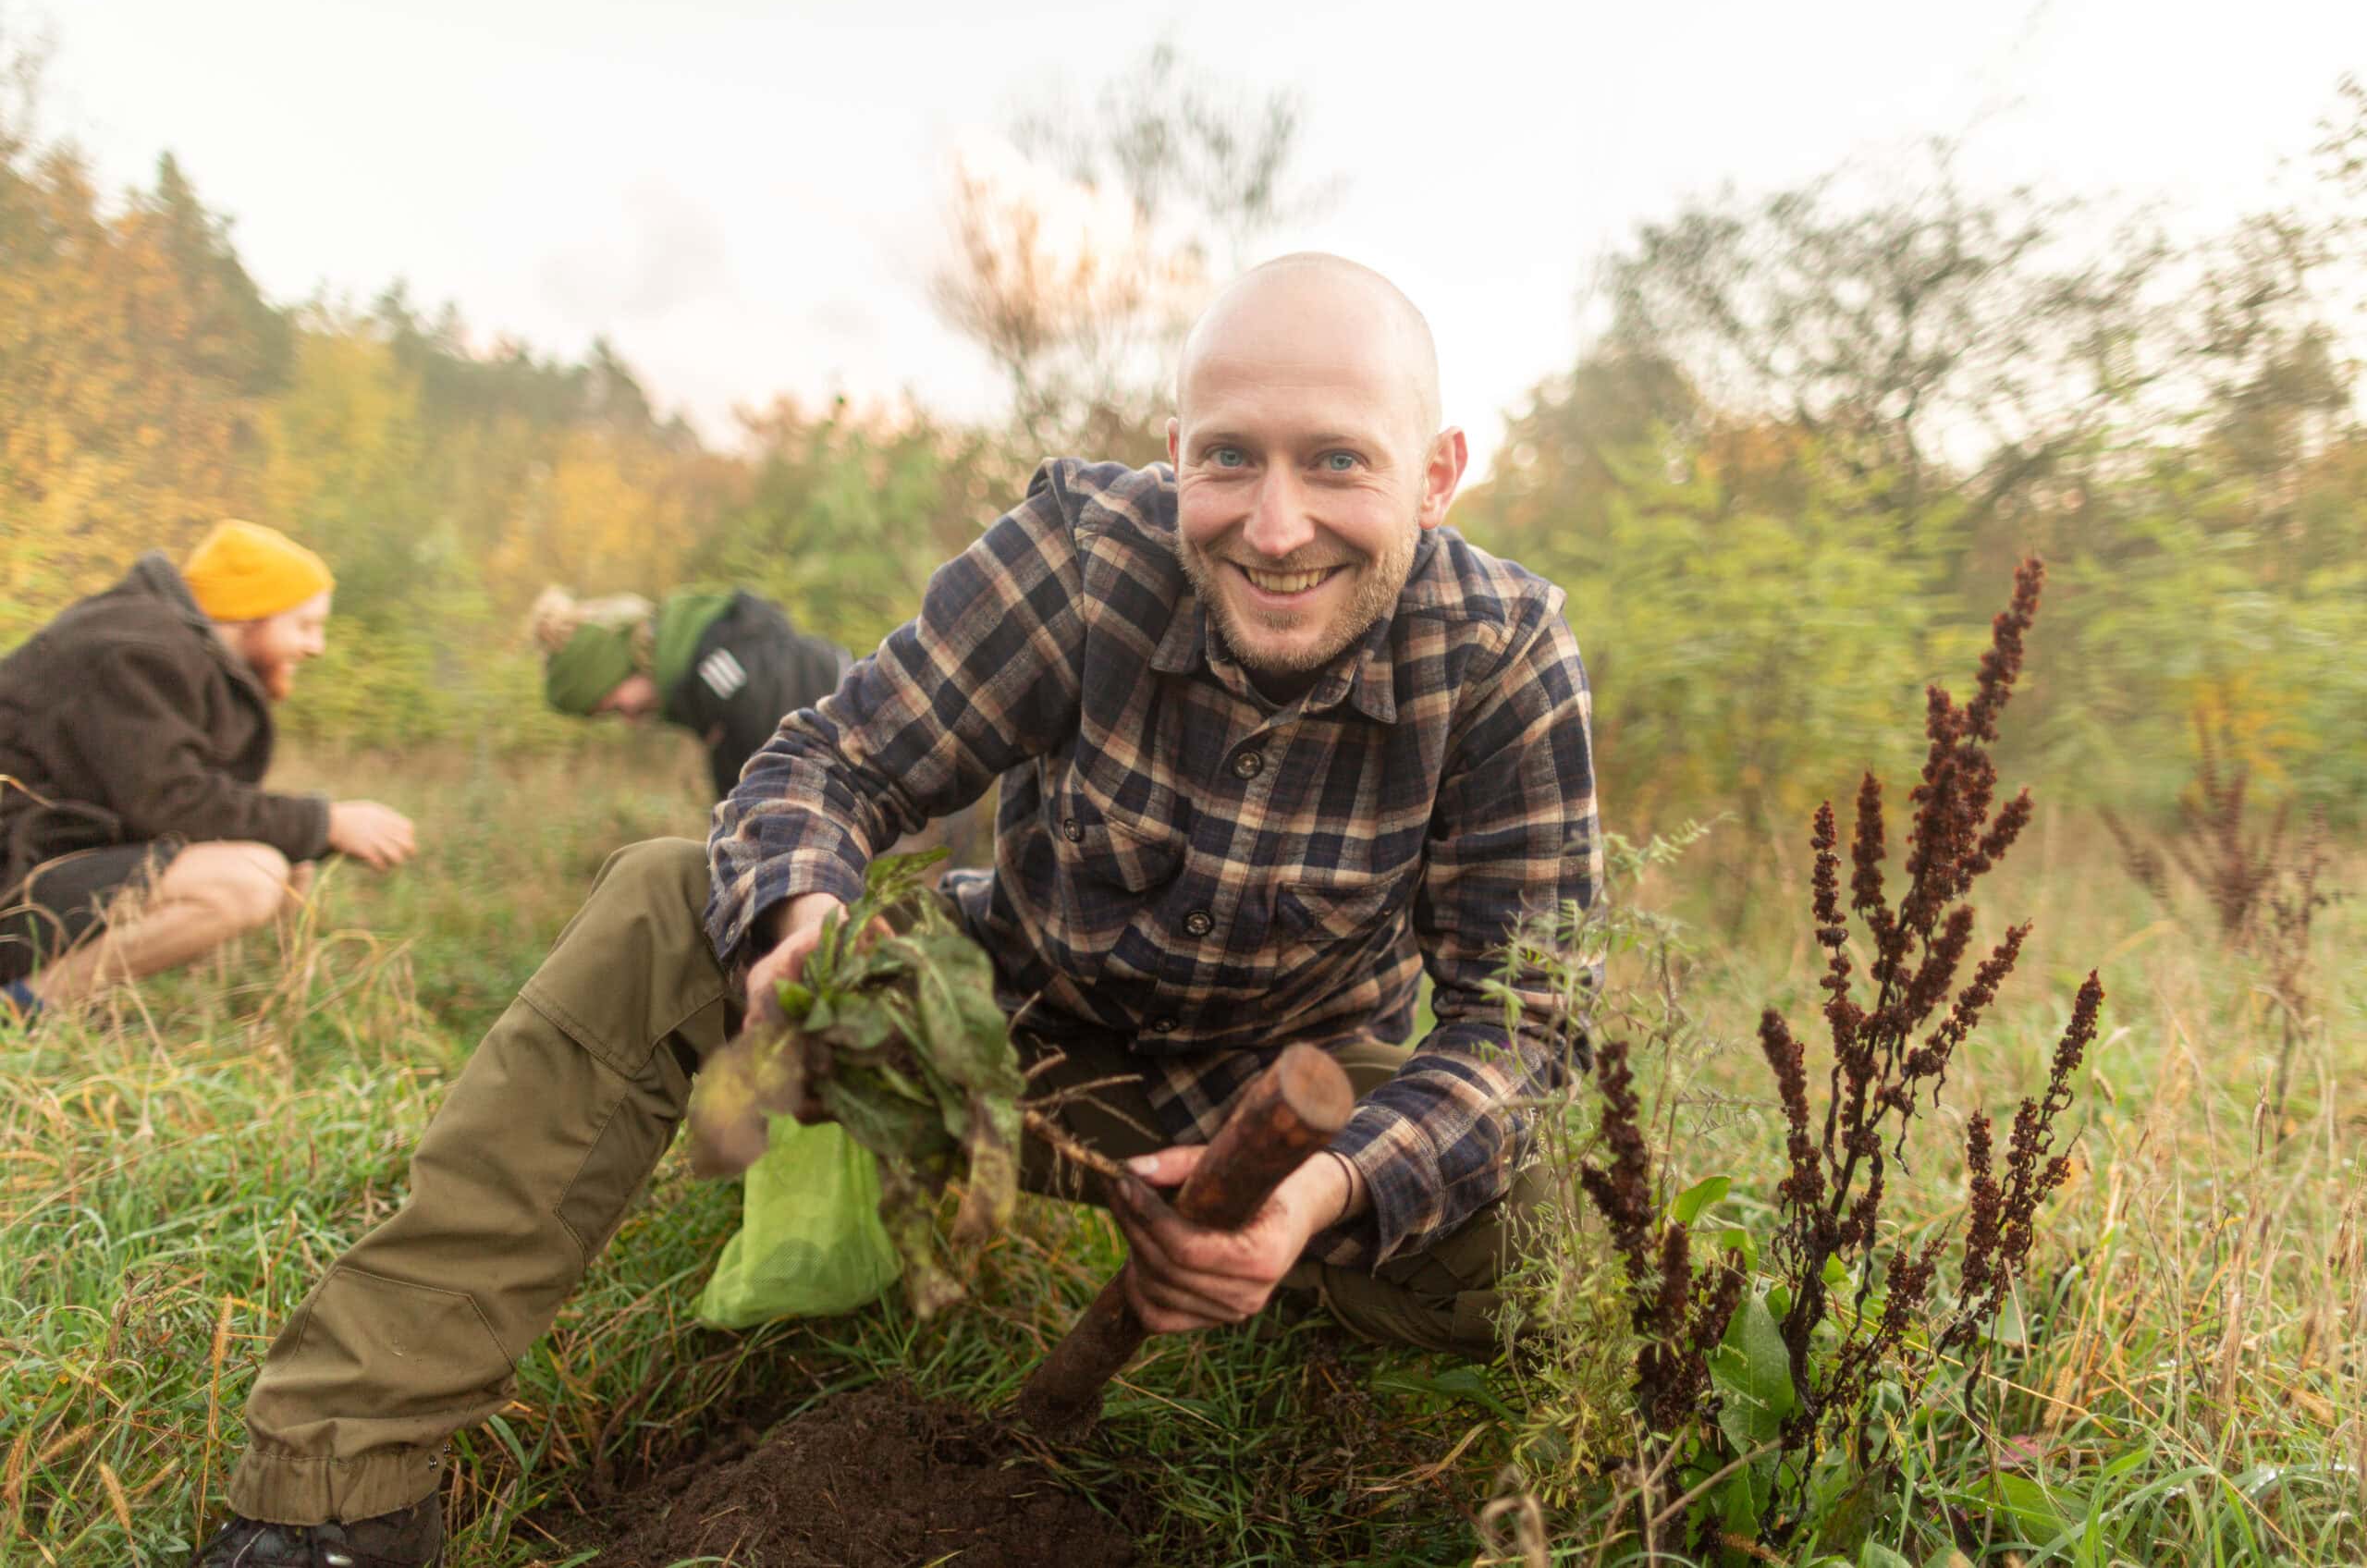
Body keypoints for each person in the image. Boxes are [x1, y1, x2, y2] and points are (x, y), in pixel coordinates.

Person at [190, 254, 1600, 1567]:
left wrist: (1307, 1195)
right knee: (661, 902)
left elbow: (1525, 1025)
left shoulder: (1502, 659)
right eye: (1229, 456)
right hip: (1006, 1030)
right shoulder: (1084, 555)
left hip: (1272, 1111)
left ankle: (1290, 1369)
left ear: (1436, 476)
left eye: (1337, 462)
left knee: (1536, 1226)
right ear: (1178, 456)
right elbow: (837, 760)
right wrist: (800, 926)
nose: (1274, 523)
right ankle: (333, 1493)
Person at [0, 522, 417, 1023]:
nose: (317, 647)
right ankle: (22, 1009)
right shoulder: (136, 652)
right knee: (245, 881)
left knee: (283, 867)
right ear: (250, 615)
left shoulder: (162, 644)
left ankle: (99, 1004)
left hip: (38, 857)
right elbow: (170, 802)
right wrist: (325, 823)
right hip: (14, 871)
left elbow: (161, 802)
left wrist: (308, 833)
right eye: (305, 626)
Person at [530, 584, 851, 801]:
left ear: (625, 666)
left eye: (615, 706)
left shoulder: (724, 674)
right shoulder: (701, 679)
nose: (627, 719)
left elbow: (787, 797)